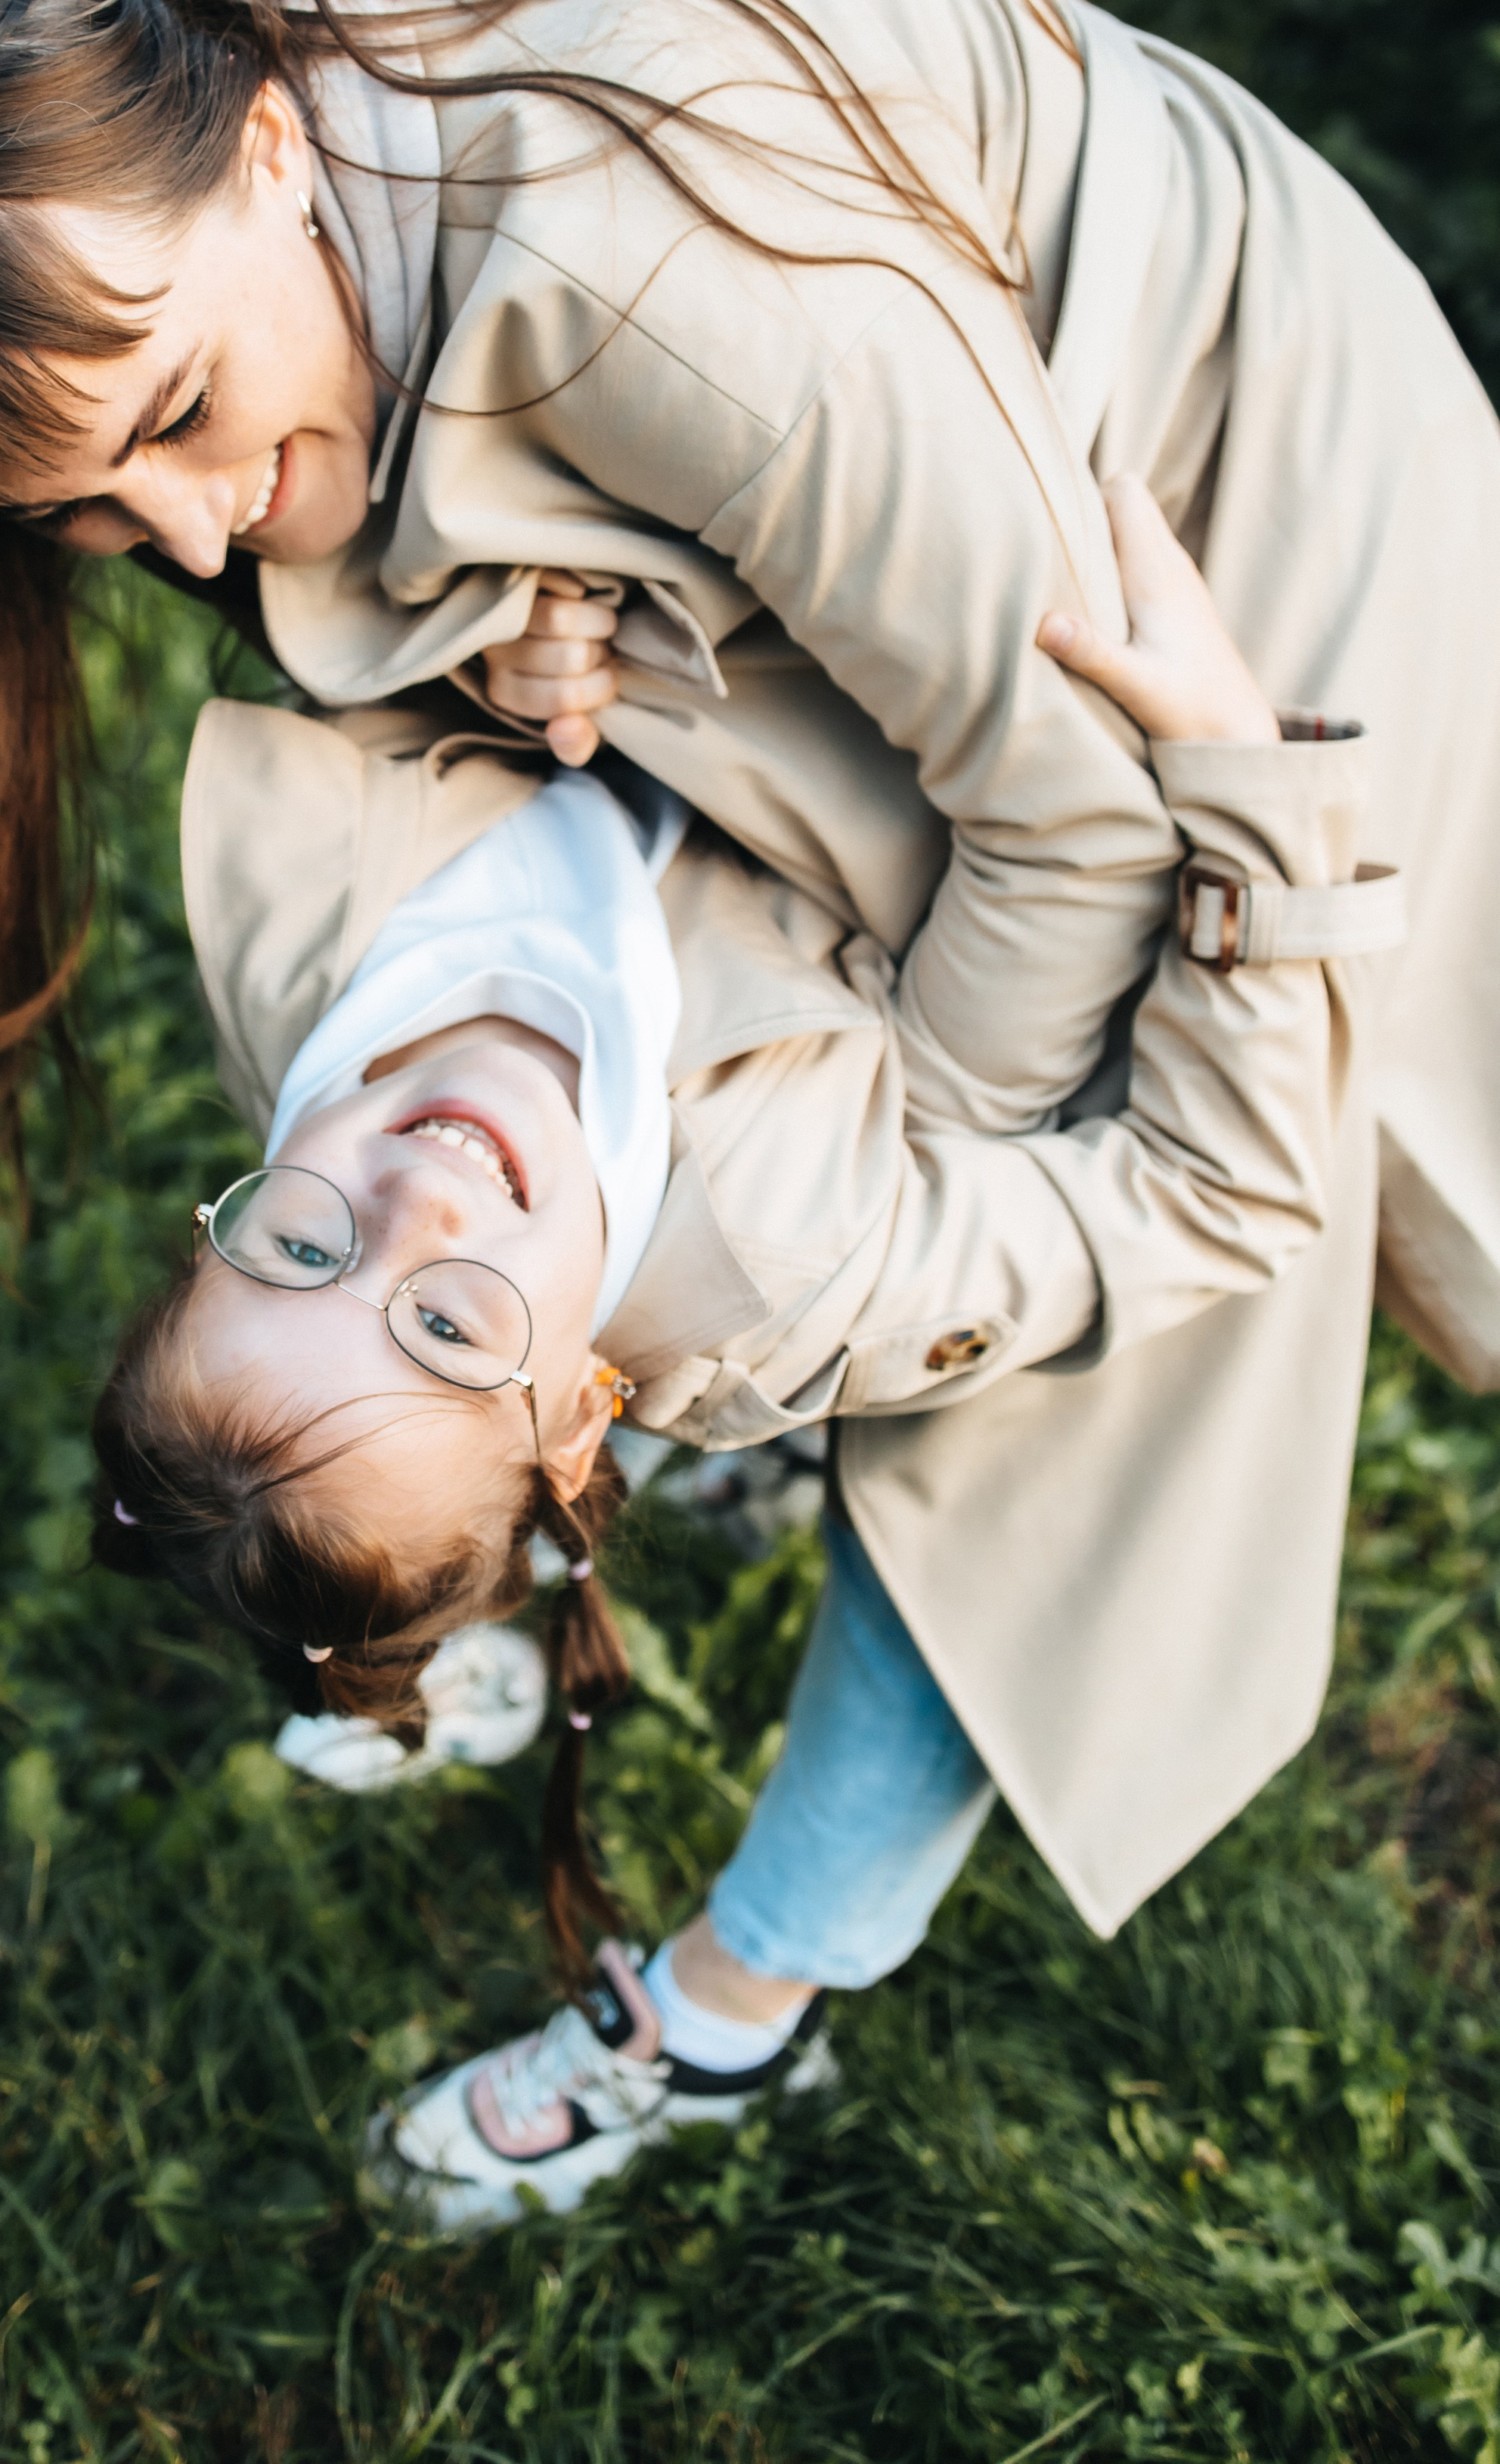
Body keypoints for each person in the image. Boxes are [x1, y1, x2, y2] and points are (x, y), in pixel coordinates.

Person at [0, 0, 1494, 1920]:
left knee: (1135, 1254)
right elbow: (529, 623)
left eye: (175, 410)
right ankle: (688, 1478)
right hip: (919, 522)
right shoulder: (222, 138)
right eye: (70, 515)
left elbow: (1075, 831)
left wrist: (860, 1209)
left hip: (1202, 470)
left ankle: (764, 1966)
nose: (187, 544)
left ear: (269, 151)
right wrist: (550, 623)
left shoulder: (625, 277)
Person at [91, 480, 1399, 2230]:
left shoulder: (281, 935)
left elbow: (382, 620)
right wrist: (1255, 801)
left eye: (300, 1242)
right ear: (580, 1403)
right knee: (968, 1552)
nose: (409, 1204)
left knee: (527, 1410)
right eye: (449, 1321)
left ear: (216, 1222)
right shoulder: (805, 1246)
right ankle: (730, 2013)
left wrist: (510, 625)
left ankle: (473, 1569)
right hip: (1074, 1069)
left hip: (855, 788)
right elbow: (1215, 1188)